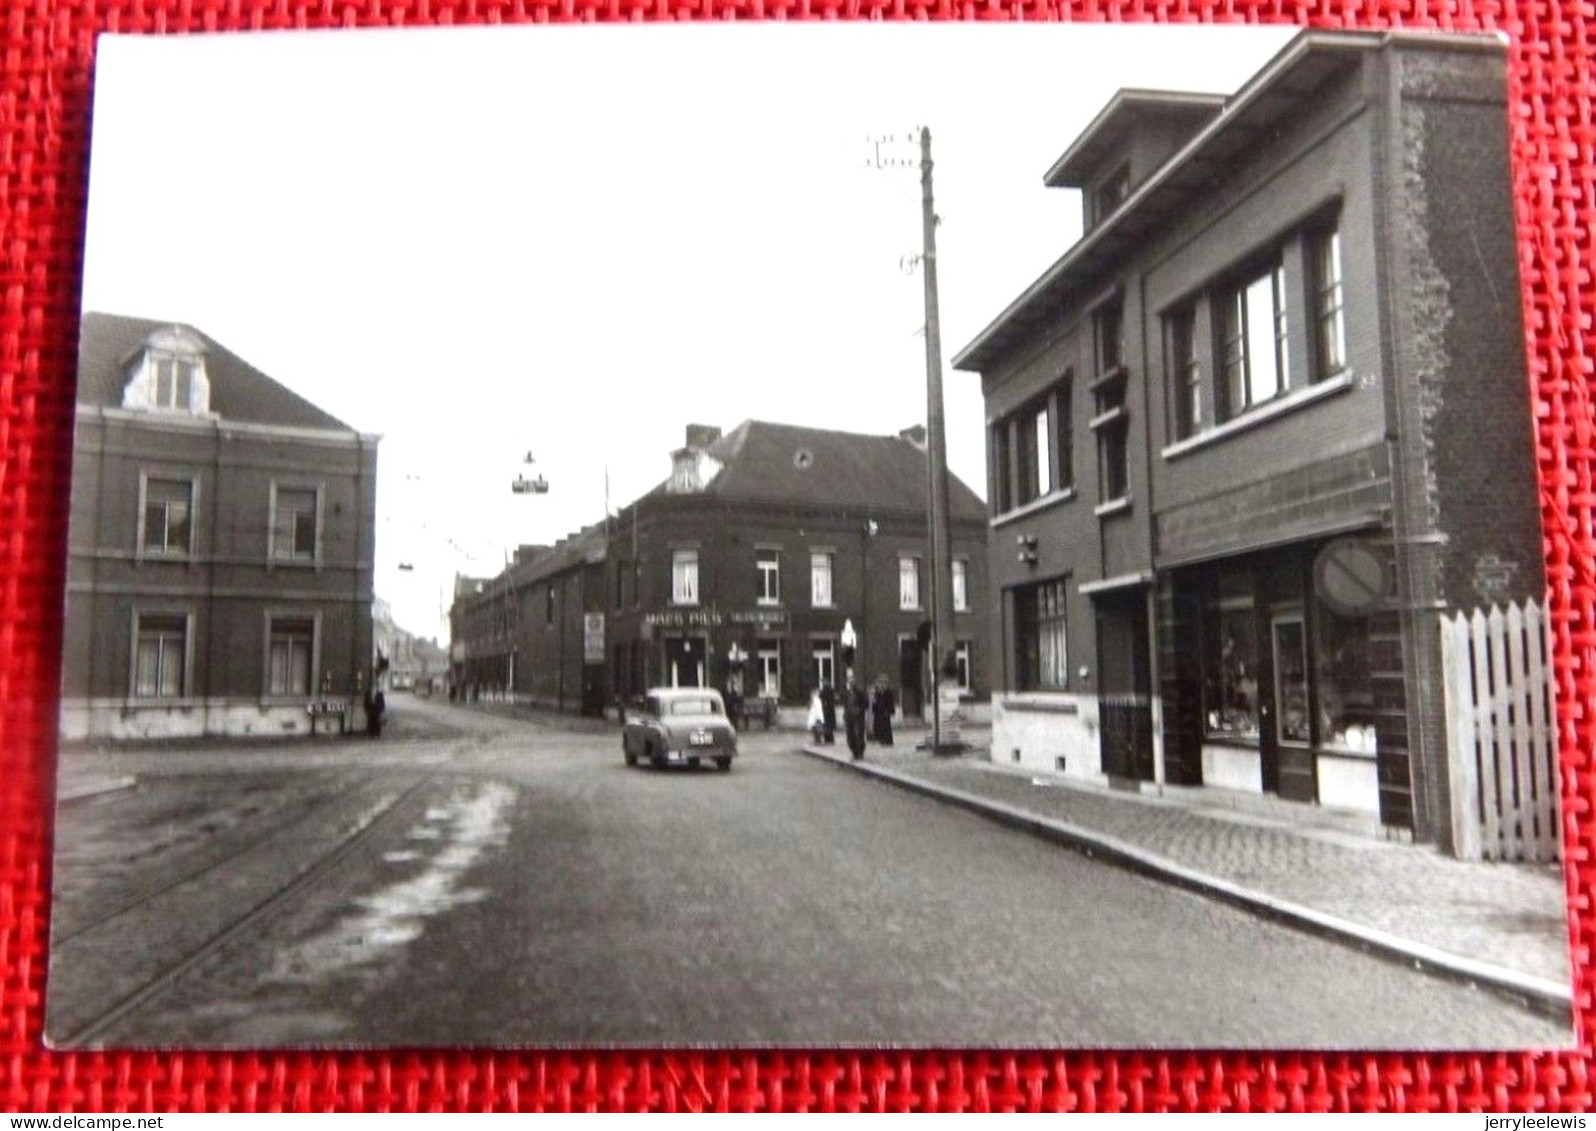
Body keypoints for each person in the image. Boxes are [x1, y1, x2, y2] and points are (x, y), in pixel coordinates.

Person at [842, 672, 868, 761]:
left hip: (858, 718)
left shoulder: (860, 692)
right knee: (850, 736)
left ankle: (860, 753)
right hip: (849, 717)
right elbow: (845, 705)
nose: (851, 683)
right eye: (849, 682)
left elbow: (866, 703)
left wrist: (859, 710)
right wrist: (845, 714)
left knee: (858, 735)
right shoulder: (847, 693)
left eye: (852, 682)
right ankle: (854, 752)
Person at [870, 674, 895, 746]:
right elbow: (875, 702)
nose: (881, 684)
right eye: (880, 682)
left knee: (886, 727)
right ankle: (881, 740)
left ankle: (887, 741)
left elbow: (891, 702)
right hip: (878, 712)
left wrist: (889, 711)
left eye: (883, 682)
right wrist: (874, 707)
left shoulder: (888, 692)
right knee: (879, 726)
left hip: (885, 712)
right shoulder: (877, 692)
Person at [819, 680, 837, 744]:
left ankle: (828, 738)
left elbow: (822, 698)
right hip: (828, 711)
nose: (823, 684)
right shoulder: (829, 690)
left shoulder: (826, 691)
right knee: (828, 726)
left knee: (827, 725)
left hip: (827, 711)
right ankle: (829, 738)